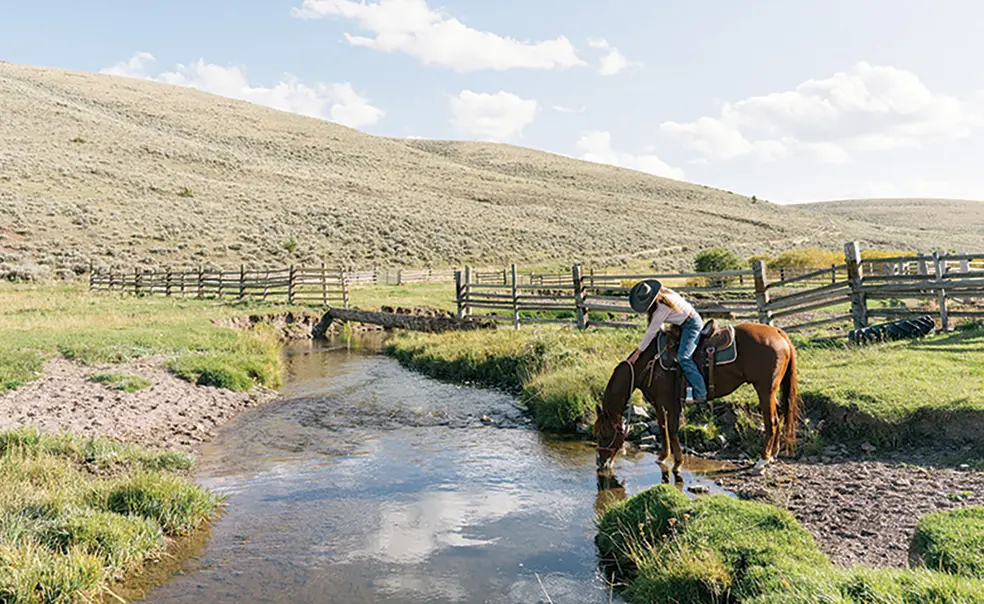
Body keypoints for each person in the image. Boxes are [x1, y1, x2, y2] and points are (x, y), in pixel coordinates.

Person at [626, 279, 707, 403]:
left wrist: (638, 352)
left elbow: (651, 331)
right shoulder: (664, 294)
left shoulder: (662, 307)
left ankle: (701, 393)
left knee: (684, 357)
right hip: (682, 323)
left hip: (691, 325)